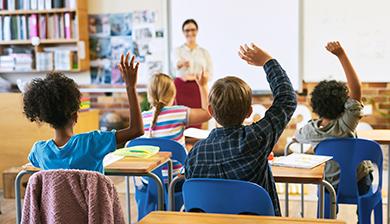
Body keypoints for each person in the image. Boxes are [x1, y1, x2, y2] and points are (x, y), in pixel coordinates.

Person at [185, 43, 297, 216]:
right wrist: (268, 61)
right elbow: (287, 99)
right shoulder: (256, 139)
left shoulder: (195, 154)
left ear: (210, 111)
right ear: (249, 112)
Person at [23, 53, 144, 173]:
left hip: (58, 194)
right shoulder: (92, 143)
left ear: (46, 118)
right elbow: (137, 130)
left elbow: (33, 162)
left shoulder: (39, 151)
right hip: (93, 193)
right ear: (75, 115)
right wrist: (130, 86)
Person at [295, 41, 373, 196]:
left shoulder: (311, 131)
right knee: (364, 174)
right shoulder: (346, 125)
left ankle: (327, 217)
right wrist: (341, 55)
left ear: (315, 107)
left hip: (328, 185)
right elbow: (356, 89)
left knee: (323, 188)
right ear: (345, 104)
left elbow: (298, 137)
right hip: (358, 180)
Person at [138, 71, 211, 185]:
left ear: (149, 95)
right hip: (176, 181)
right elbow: (207, 113)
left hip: (149, 181)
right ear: (173, 94)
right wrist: (203, 86)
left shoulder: (142, 118)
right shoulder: (179, 113)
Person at [174, 19, 213, 128]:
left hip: (199, 87)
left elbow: (210, 73)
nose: (190, 33)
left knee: (201, 117)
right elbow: (174, 68)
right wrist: (180, 64)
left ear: (197, 31)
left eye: (192, 30)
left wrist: (199, 77)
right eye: (187, 30)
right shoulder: (177, 51)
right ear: (183, 32)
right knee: (181, 117)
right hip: (181, 88)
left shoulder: (204, 52)